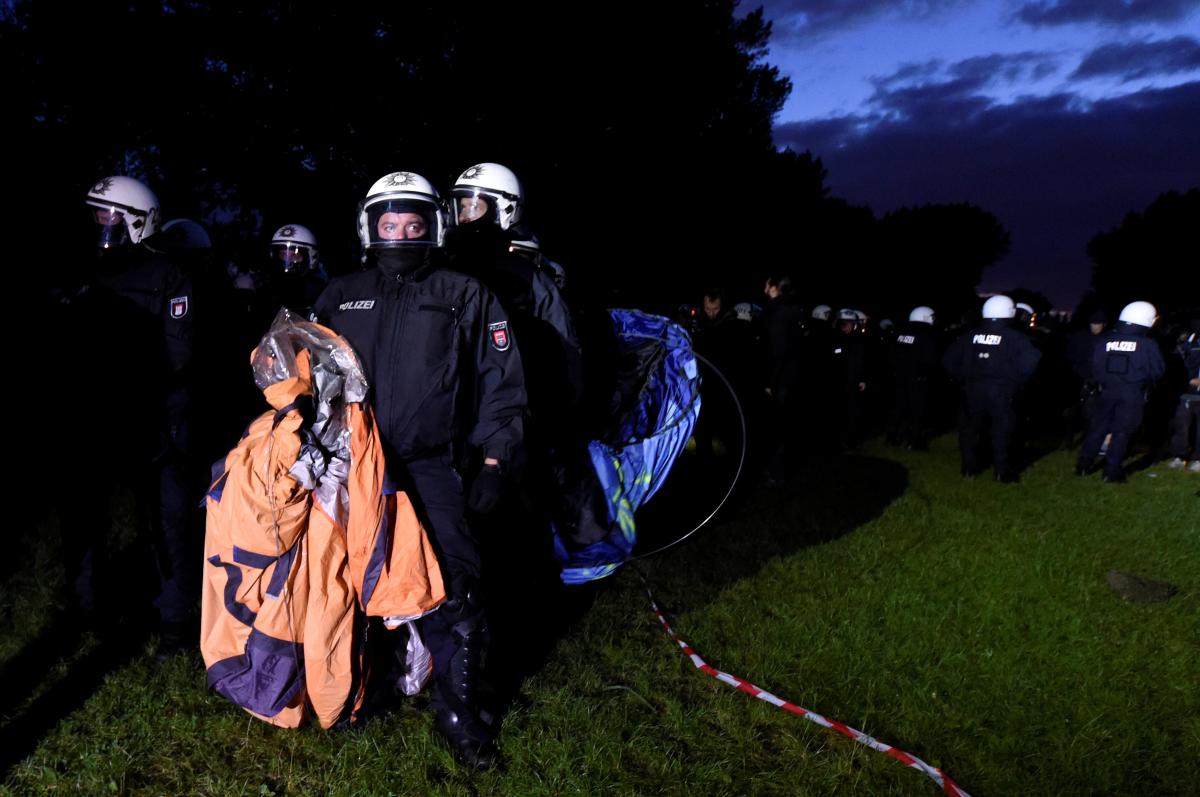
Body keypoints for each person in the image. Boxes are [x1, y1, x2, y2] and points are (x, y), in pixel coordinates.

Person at [312, 171, 526, 769]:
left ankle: (460, 715)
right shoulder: (338, 294)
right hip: (355, 463)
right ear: (368, 228)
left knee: (452, 582)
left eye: (412, 224)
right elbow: (311, 379)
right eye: (389, 224)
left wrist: (493, 460)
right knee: (353, 579)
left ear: (432, 227)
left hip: (434, 466)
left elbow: (500, 384)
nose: (400, 233)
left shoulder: (464, 293)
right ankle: (367, 686)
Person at [61, 175, 196, 652]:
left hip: (152, 418)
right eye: (97, 215)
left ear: (138, 222)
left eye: (109, 215)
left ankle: (174, 622)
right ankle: (87, 610)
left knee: (167, 522)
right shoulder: (86, 270)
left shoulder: (169, 276)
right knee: (83, 518)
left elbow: (178, 354)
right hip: (96, 415)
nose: (101, 224)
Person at [942, 295, 1041, 482]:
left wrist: (963, 378)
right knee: (1001, 431)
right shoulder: (1015, 337)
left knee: (969, 430)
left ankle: (968, 469)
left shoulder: (970, 335)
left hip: (971, 390)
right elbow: (1031, 363)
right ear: (1009, 313)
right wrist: (1015, 382)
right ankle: (1001, 471)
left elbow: (948, 360)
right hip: (1002, 391)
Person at [1076, 301, 1165, 482]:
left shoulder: (1105, 340)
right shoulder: (1148, 344)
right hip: (1131, 394)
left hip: (1106, 391)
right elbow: (1158, 370)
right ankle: (1111, 471)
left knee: (1097, 428)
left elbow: (1094, 367)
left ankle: (1083, 466)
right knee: (1122, 432)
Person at [887, 306, 940, 450]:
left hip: (899, 378)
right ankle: (914, 441)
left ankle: (893, 437)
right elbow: (931, 359)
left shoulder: (900, 333)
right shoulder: (927, 335)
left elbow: (891, 354)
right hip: (918, 379)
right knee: (917, 412)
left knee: (899, 408)